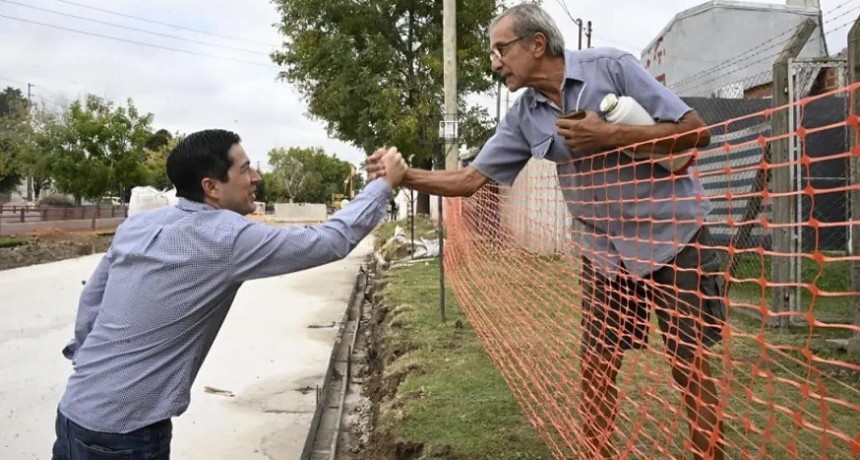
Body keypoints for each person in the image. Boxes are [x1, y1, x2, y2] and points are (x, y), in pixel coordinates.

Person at [366, 4, 726, 459]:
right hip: (603, 252)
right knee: (596, 364)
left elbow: (696, 132)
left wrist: (611, 136)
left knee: (687, 364)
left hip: (672, 236)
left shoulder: (611, 68)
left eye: (501, 49)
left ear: (536, 45)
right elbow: (471, 180)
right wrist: (405, 176)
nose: (494, 62)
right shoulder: (524, 115)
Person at [52, 129, 407, 459]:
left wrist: (93, 368)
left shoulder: (137, 225)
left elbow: (90, 307)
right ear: (212, 186)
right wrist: (382, 185)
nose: (257, 178)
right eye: (245, 169)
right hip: (125, 435)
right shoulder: (226, 237)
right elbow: (329, 241)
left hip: (73, 412)